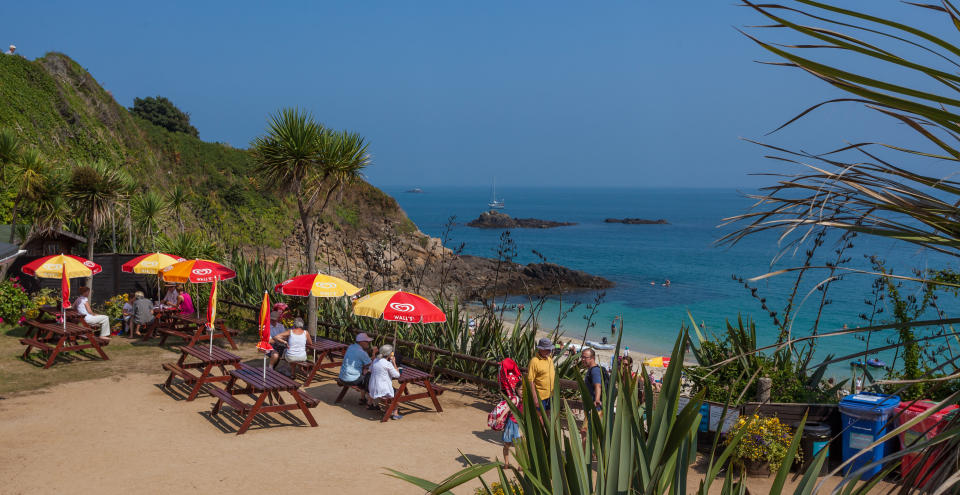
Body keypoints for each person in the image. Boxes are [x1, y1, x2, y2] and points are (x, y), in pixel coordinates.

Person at [498, 357, 523, 469]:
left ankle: (519, 465)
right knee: (507, 444)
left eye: (524, 390)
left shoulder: (526, 400)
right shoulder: (515, 399)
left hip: (519, 424)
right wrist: (501, 417)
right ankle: (506, 463)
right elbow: (508, 408)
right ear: (516, 389)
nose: (522, 392)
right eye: (521, 389)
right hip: (511, 424)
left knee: (518, 446)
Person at [339, 332, 376, 406]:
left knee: (364, 373)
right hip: (352, 379)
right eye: (367, 342)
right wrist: (374, 353)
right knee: (369, 378)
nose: (369, 343)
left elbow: (365, 361)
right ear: (361, 342)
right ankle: (370, 402)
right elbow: (371, 364)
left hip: (342, 377)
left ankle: (362, 399)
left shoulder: (351, 347)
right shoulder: (361, 352)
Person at [368, 344, 402, 420]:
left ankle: (387, 409)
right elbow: (397, 375)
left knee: (389, 391)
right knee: (397, 393)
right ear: (389, 354)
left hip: (372, 388)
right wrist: (394, 363)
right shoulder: (388, 364)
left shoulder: (375, 360)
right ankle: (395, 413)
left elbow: (370, 370)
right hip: (382, 390)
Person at [579, 348, 604, 447]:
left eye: (585, 357)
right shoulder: (591, 370)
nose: (583, 359)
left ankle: (584, 458)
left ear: (592, 358)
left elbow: (598, 385)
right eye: (582, 357)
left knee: (584, 432)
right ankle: (592, 454)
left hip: (595, 408)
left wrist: (597, 399)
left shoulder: (595, 371)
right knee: (591, 432)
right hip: (590, 407)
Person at [527, 338, 556, 411]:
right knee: (540, 418)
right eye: (547, 349)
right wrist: (535, 397)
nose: (549, 351)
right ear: (540, 349)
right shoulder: (534, 361)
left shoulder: (549, 359)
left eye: (550, 349)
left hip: (551, 395)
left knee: (548, 415)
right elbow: (531, 380)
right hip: (540, 396)